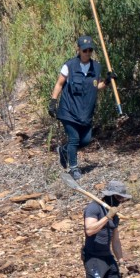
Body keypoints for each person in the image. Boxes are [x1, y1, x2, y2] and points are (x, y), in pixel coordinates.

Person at [47, 35, 117, 180]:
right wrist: (53, 102)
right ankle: (74, 168)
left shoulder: (96, 67)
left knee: (85, 140)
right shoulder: (69, 66)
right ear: (78, 50)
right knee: (74, 138)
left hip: (85, 112)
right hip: (69, 110)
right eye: (85, 50)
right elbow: (59, 84)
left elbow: (96, 86)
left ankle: (64, 150)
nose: (87, 53)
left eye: (90, 50)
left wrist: (108, 81)